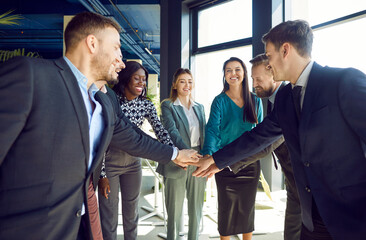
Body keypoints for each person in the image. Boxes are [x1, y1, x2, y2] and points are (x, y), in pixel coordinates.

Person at [0, 11, 199, 240]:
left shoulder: (105, 100)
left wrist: (176, 154)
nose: (121, 61)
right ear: (92, 43)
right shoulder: (31, 76)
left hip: (80, 227)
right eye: (116, 47)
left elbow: (133, 138)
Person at [192, 20, 366, 240]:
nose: (268, 63)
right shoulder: (284, 98)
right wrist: (216, 160)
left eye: (269, 55)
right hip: (312, 221)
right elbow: (258, 137)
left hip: (353, 219)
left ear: (285, 50)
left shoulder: (342, 81)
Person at [97, 61, 175, 240]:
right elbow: (101, 137)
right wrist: (102, 175)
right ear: (126, 79)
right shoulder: (112, 101)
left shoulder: (146, 105)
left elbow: (160, 130)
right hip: (110, 164)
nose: (142, 83)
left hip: (133, 164)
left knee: (132, 213)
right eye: (137, 78)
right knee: (109, 214)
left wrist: (174, 154)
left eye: (144, 79)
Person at [201, 57, 263, 240]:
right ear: (224, 75)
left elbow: (260, 133)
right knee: (226, 210)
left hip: (249, 164)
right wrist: (207, 155)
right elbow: (212, 129)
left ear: (244, 73)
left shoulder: (255, 100)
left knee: (247, 208)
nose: (233, 73)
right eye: (228, 70)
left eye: (237, 69)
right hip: (224, 163)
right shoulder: (219, 101)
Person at [250, 53, 301, 240]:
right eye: (253, 79)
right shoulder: (274, 100)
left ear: (273, 74)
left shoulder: (287, 98)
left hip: (307, 183)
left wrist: (220, 161)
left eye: (258, 79)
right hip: (294, 182)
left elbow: (264, 144)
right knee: (293, 231)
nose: (254, 83)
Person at [157, 68, 207, 240]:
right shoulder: (168, 105)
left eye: (190, 81)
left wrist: (205, 158)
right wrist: (188, 154)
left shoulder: (199, 108)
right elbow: (171, 132)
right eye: (182, 81)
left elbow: (205, 135)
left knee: (196, 208)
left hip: (199, 161)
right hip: (177, 160)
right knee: (174, 211)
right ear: (175, 85)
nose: (187, 85)